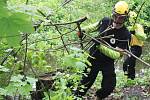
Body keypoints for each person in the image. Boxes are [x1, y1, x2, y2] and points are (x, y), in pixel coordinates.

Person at [75, 1, 131, 100]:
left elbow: (117, 55)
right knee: (85, 82)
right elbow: (93, 27)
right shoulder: (105, 21)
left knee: (109, 86)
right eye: (116, 16)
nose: (117, 20)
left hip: (107, 62)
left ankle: (98, 96)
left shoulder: (126, 34)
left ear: (125, 18)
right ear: (113, 14)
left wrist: (100, 46)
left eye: (121, 17)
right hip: (93, 57)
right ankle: (75, 97)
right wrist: (82, 31)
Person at [123, 11, 147, 80]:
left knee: (127, 63)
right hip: (131, 48)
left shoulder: (138, 26)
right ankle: (130, 78)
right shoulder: (131, 27)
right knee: (131, 64)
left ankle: (130, 77)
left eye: (131, 18)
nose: (130, 20)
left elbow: (143, 37)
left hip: (137, 48)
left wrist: (135, 33)